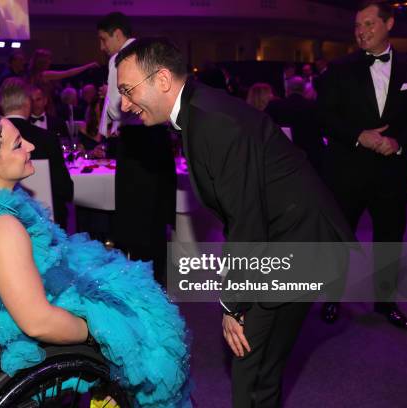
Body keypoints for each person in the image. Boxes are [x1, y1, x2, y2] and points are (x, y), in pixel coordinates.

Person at [115, 37, 354, 408]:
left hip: (297, 242)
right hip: (285, 236)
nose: (124, 104)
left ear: (161, 80)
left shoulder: (212, 121)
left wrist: (232, 304)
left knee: (252, 369)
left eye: (128, 91)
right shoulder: (199, 108)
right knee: (258, 368)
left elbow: (247, 220)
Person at [0, 114, 191, 408]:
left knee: (122, 297)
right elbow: (38, 323)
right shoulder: (1, 226)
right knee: (141, 334)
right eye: (17, 145)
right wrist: (97, 332)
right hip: (11, 353)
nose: (30, 146)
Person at [318, 0, 407, 328]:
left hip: (392, 172)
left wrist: (399, 142)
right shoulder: (339, 68)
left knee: (389, 239)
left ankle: (385, 302)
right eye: (358, 26)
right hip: (348, 171)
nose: (361, 32)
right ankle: (332, 298)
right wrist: (359, 135)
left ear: (389, 24)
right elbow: (325, 117)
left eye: (369, 24)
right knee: (339, 240)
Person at [97, 12, 176, 284]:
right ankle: (159, 281)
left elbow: (116, 111)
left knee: (134, 219)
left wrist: (109, 101)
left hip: (135, 143)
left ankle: (140, 285)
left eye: (103, 39)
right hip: (159, 139)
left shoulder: (120, 60)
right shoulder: (150, 52)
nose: (102, 46)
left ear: (118, 34)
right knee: (156, 217)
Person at [0, 78, 74, 229]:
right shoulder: (48, 139)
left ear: (1, 105)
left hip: (2, 220)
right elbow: (65, 189)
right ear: (28, 103)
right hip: (48, 224)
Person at [266, 76, 326, 175]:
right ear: (304, 90)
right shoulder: (313, 107)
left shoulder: (274, 106)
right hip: (311, 162)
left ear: (287, 90)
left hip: (282, 159)